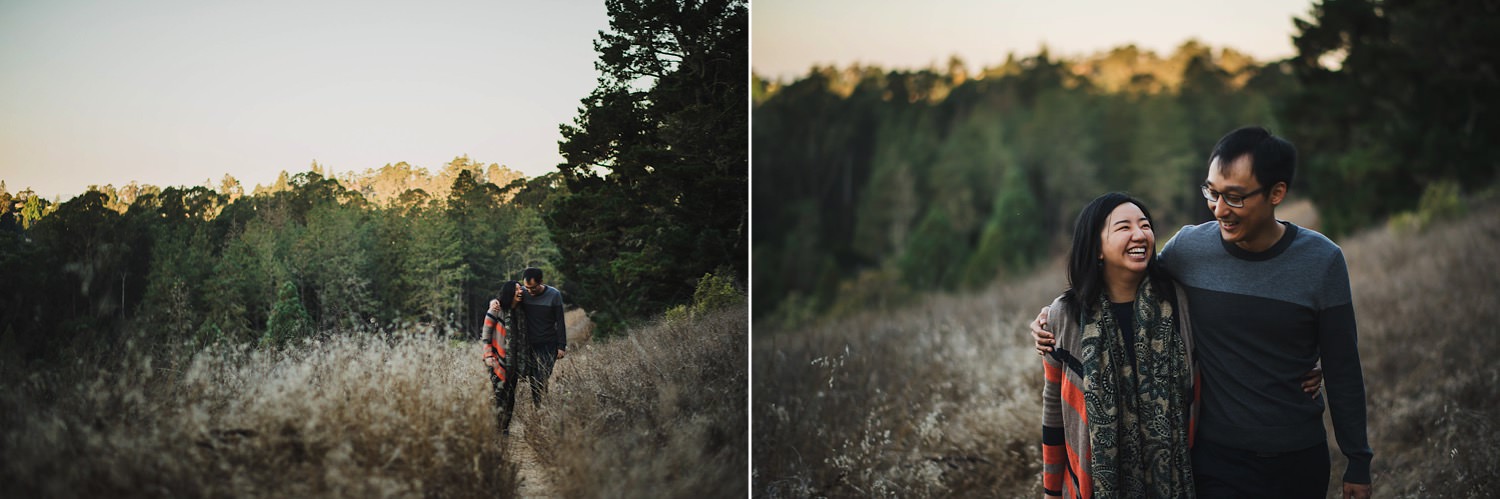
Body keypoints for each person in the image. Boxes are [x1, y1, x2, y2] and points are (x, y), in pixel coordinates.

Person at [1034, 126, 1372, 498]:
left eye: (1235, 197)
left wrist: (1357, 460)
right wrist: (1052, 316)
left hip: (1297, 455)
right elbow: (1123, 279)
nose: (1219, 209)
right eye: (1212, 192)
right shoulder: (1189, 249)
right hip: (1216, 459)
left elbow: (1343, 370)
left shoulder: (1322, 262)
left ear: (1276, 193)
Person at [1041, 192, 1197, 498]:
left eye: (1145, 225)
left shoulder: (1176, 300)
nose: (1140, 234)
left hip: (1180, 480)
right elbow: (1054, 411)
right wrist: (1051, 489)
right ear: (1096, 247)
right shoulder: (1067, 315)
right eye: (1124, 227)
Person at [482, 280, 527, 434]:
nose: (520, 291)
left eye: (520, 288)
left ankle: (504, 428)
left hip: (514, 362)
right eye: (516, 289)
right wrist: (488, 355)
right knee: (500, 396)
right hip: (496, 360)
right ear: (509, 292)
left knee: (511, 397)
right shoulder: (496, 309)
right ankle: (497, 429)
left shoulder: (520, 311)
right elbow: (486, 335)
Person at [519, 267, 567, 407]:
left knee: (543, 376)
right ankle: (539, 406)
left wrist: (561, 346)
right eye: (527, 288)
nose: (529, 291)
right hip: (529, 344)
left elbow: (560, 321)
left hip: (548, 343)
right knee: (533, 378)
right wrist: (494, 303)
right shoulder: (522, 293)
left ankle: (541, 405)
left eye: (533, 288)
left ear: (541, 282)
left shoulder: (554, 295)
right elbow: (503, 299)